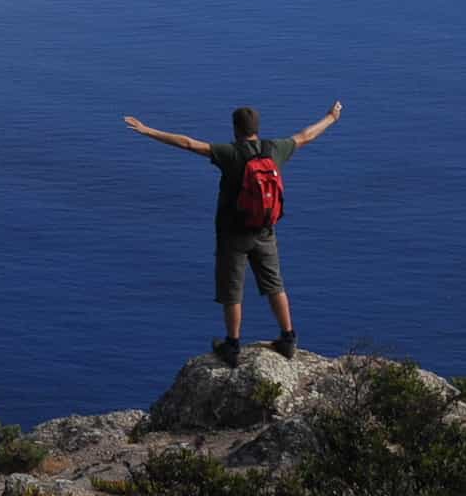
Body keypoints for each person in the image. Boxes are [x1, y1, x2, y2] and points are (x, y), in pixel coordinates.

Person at [121, 101, 343, 366]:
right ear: (257, 128)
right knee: (275, 284)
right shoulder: (274, 150)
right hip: (265, 231)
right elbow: (306, 135)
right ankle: (288, 338)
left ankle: (232, 345)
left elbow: (190, 144)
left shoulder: (231, 153)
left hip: (233, 235)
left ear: (236, 129)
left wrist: (148, 130)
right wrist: (331, 117)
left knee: (232, 291)